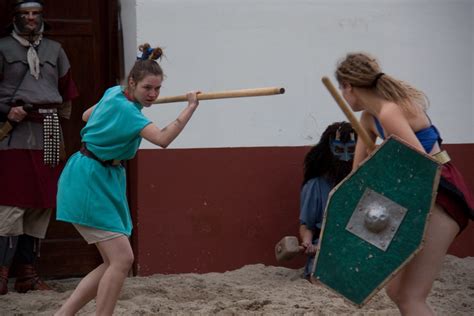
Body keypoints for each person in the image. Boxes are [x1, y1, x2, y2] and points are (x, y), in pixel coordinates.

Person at [54, 43, 200, 316]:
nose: (154, 95)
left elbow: (87, 116)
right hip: (90, 181)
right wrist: (190, 107)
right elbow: (163, 139)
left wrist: (123, 107)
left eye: (157, 89)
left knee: (114, 261)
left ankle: (63, 314)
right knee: (122, 259)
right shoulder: (129, 112)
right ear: (132, 83)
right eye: (147, 88)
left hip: (97, 175)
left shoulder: (114, 94)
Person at [334, 52, 474, 315]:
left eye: (342, 89)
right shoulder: (368, 119)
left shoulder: (390, 112)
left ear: (349, 86)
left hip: (439, 194)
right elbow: (356, 177)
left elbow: (422, 167)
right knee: (396, 292)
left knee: (411, 297)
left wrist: (385, 156)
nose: (343, 96)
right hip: (419, 198)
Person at [0, 0, 78, 295]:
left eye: (35, 14)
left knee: (43, 201)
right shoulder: (3, 48)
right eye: (25, 14)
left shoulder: (55, 50)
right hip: (14, 130)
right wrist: (6, 111)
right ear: (16, 18)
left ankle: (28, 277)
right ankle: (1, 276)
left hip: (48, 129)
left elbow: (66, 91)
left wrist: (59, 129)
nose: (31, 19)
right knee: (10, 201)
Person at [299, 121, 356, 281]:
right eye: (339, 150)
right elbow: (307, 225)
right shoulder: (315, 186)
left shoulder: (365, 181)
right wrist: (308, 243)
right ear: (328, 151)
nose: (345, 158)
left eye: (351, 150)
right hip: (326, 247)